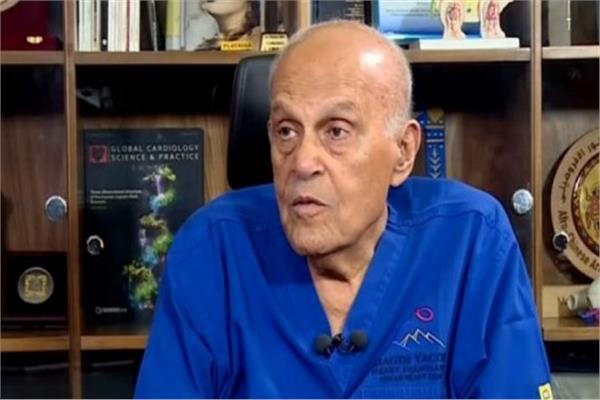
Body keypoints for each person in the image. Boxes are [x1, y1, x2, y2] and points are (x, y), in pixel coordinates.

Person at [135, 21, 552, 398]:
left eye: (336, 131)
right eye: (286, 131)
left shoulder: (472, 240)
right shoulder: (211, 251)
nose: (302, 163)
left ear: (403, 151)